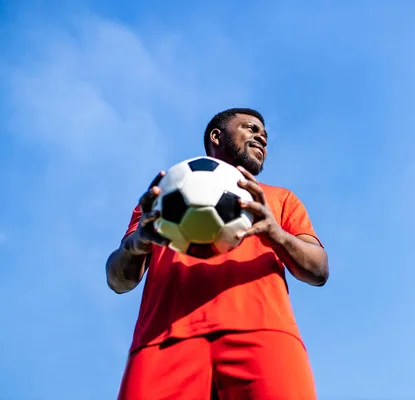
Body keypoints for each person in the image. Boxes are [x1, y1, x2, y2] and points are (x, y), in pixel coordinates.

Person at [105, 108, 329, 400]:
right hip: (163, 339)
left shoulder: (280, 199)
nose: (261, 136)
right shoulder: (163, 198)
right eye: (250, 128)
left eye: (264, 134)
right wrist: (138, 243)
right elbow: (118, 280)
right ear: (216, 137)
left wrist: (275, 233)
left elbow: (319, 270)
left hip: (265, 336)